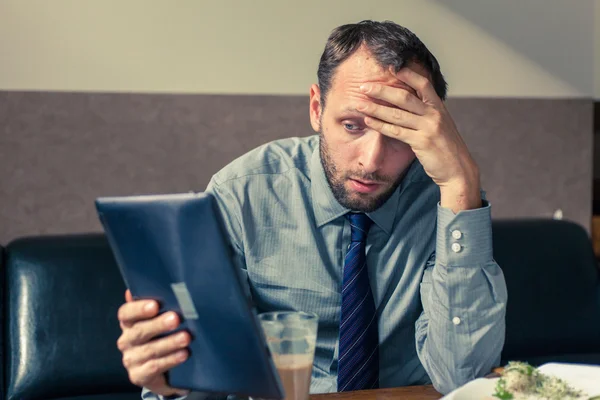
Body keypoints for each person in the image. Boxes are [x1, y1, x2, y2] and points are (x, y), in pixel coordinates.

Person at [116, 20, 507, 399]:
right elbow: (206, 373)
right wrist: (172, 379)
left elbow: (464, 377)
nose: (371, 161)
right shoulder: (243, 194)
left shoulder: (445, 202)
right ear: (317, 109)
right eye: (353, 126)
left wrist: (459, 186)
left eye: (399, 134)